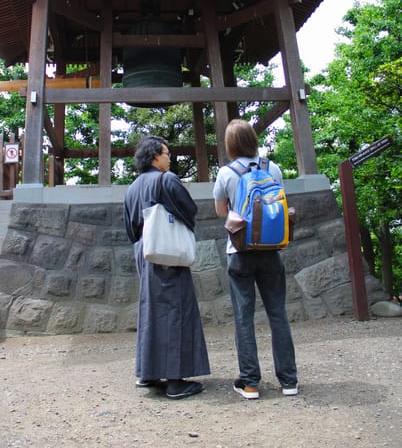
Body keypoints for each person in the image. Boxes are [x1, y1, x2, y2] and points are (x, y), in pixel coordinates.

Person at [213, 119, 298, 400]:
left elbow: (221, 212)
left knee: (243, 317)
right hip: (271, 250)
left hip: (239, 252)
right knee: (278, 314)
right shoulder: (272, 168)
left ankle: (250, 383)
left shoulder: (226, 173)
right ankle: (289, 381)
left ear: (230, 144)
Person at [124, 135, 210, 399]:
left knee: (151, 310)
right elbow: (189, 210)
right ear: (154, 156)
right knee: (175, 309)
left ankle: (147, 373)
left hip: (144, 251)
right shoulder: (167, 180)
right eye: (166, 153)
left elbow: (130, 228)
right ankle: (175, 381)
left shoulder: (132, 188)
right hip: (167, 252)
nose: (170, 158)